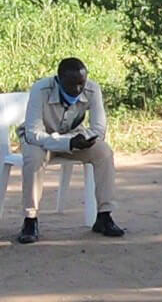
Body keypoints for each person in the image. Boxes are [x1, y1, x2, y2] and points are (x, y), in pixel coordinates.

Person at [16, 57, 124, 243]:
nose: (76, 89)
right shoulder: (40, 90)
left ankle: (104, 215)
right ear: (58, 80)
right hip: (41, 141)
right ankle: (30, 220)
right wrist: (67, 144)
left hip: (74, 138)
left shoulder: (92, 89)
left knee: (104, 152)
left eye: (80, 84)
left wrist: (83, 140)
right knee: (33, 158)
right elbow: (33, 134)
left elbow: (99, 129)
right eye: (71, 85)